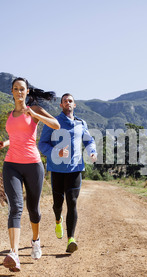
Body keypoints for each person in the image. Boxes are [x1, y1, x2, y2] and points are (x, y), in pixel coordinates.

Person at [0, 77, 60, 272]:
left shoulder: (35, 110)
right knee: (15, 207)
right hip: (11, 164)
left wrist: (34, 114)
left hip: (33, 165)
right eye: (16, 89)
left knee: (34, 209)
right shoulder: (9, 114)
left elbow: (56, 124)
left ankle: (35, 240)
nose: (19, 92)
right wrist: (5, 143)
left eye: (22, 89)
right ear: (12, 92)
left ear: (27, 91)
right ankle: (14, 253)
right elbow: (16, 136)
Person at [38, 93, 97, 253]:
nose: (68, 103)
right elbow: (42, 144)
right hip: (57, 170)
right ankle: (58, 219)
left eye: (70, 101)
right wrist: (56, 151)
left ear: (74, 105)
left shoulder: (81, 123)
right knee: (58, 204)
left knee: (72, 202)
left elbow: (89, 140)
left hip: (75, 169)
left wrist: (92, 151)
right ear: (61, 105)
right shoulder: (53, 123)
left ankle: (71, 239)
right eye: (65, 101)